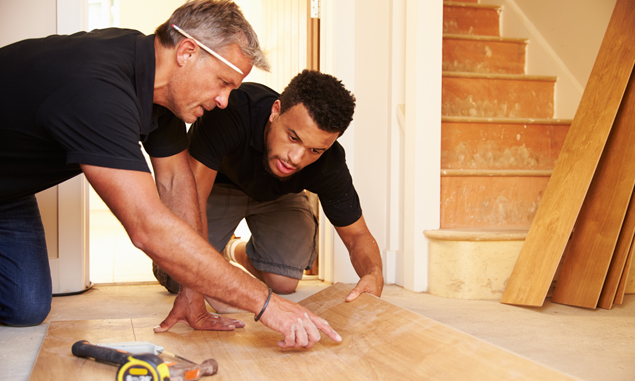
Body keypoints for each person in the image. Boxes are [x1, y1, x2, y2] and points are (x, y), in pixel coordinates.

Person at [0, 0, 341, 349]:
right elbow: (148, 227)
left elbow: (177, 184)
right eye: (223, 82)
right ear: (188, 52)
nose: (224, 101)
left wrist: (193, 291)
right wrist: (266, 302)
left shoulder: (159, 92)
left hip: (10, 194)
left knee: (27, 307)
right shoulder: (99, 90)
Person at [154, 70, 384, 313]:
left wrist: (373, 273)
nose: (296, 158)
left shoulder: (329, 162)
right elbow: (191, 200)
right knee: (179, 278)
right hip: (219, 186)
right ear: (276, 111)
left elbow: (357, 235)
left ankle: (231, 250)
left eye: (314, 150)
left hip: (279, 195)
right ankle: (213, 256)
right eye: (293, 137)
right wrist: (217, 284)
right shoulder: (231, 112)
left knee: (282, 282)